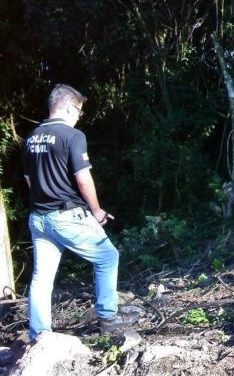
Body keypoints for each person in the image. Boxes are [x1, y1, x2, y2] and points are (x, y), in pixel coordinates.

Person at [22, 84, 136, 339]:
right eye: (79, 112)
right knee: (108, 257)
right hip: (67, 215)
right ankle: (108, 317)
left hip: (38, 218)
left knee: (42, 277)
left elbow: (30, 181)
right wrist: (96, 211)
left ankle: (39, 335)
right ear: (70, 107)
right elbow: (83, 179)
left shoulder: (31, 138)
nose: (79, 117)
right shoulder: (72, 136)